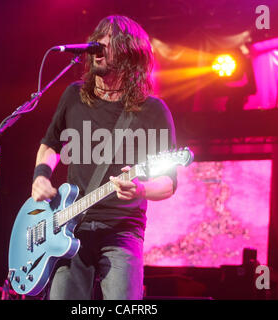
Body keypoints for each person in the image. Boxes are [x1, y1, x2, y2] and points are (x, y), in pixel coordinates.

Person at [31, 15, 178, 300]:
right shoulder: (73, 96)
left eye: (110, 40)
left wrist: (141, 189)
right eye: (97, 38)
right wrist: (40, 175)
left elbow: (169, 182)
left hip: (122, 231)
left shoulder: (153, 111)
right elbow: (50, 145)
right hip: (69, 227)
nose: (98, 45)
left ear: (130, 53)